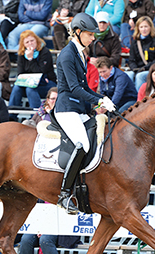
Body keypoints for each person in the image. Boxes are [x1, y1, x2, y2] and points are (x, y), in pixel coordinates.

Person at [54, 13, 114, 214]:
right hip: (66, 108)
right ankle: (63, 195)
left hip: (79, 109)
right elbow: (73, 88)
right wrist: (98, 100)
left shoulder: (81, 54)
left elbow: (85, 87)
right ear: (77, 32)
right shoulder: (67, 54)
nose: (93, 38)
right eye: (89, 34)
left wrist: (102, 99)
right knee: (83, 144)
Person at [9, 30, 56, 109]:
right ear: (23, 44)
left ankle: (36, 116)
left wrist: (31, 59)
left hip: (46, 84)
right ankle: (11, 116)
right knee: (17, 88)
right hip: (28, 84)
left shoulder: (44, 52)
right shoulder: (21, 54)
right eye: (27, 42)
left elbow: (41, 72)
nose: (30, 43)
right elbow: (20, 73)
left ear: (36, 40)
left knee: (30, 89)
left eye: (32, 40)